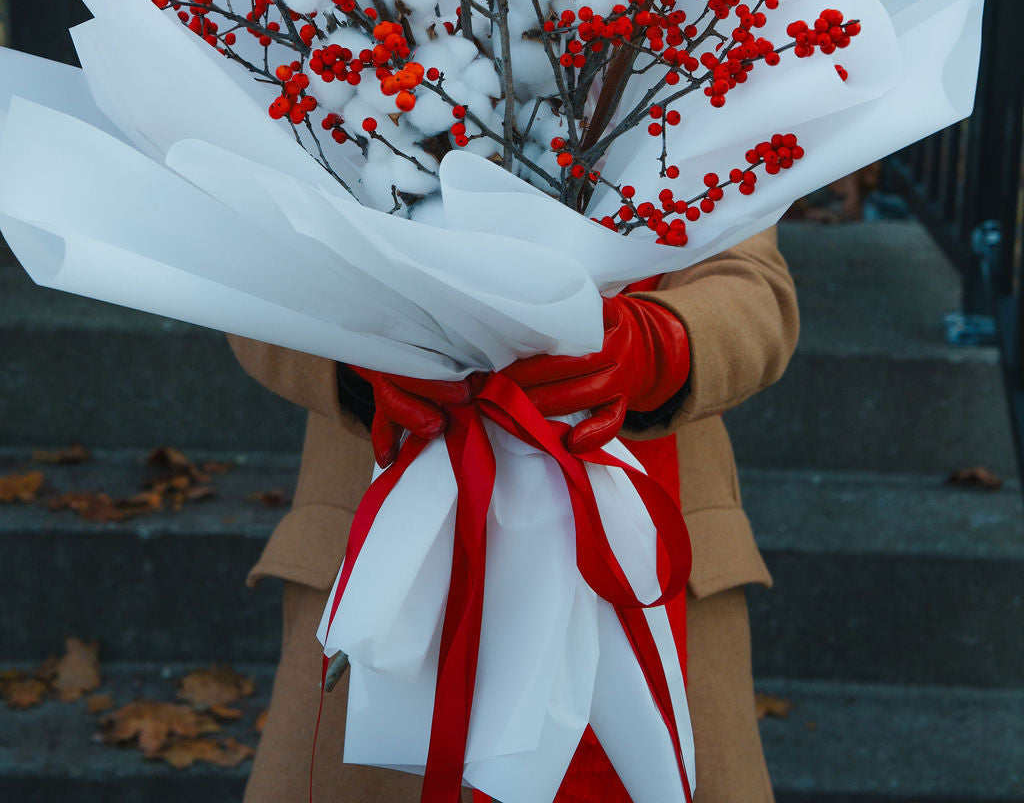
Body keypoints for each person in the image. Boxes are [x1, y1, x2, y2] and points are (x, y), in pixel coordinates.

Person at [229, 224, 796, 803]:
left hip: (649, 534)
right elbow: (247, 274)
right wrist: (360, 356)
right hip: (389, 555)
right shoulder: (341, 130)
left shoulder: (685, 130)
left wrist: (658, 345)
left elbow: (753, 288)